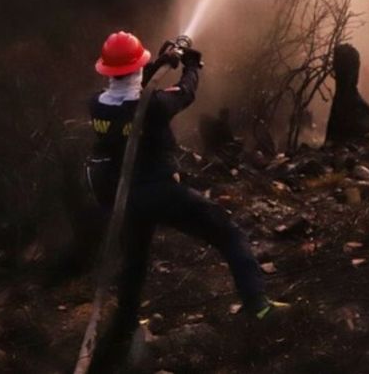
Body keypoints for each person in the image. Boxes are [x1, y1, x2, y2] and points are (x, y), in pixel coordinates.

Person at [85, 32, 286, 372]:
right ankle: (258, 305)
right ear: (137, 67)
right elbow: (185, 93)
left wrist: (161, 62)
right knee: (229, 233)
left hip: (126, 201)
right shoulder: (155, 106)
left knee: (134, 267)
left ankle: (124, 332)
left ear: (107, 71)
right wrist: (192, 64)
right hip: (161, 193)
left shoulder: (97, 106)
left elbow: (132, 96)